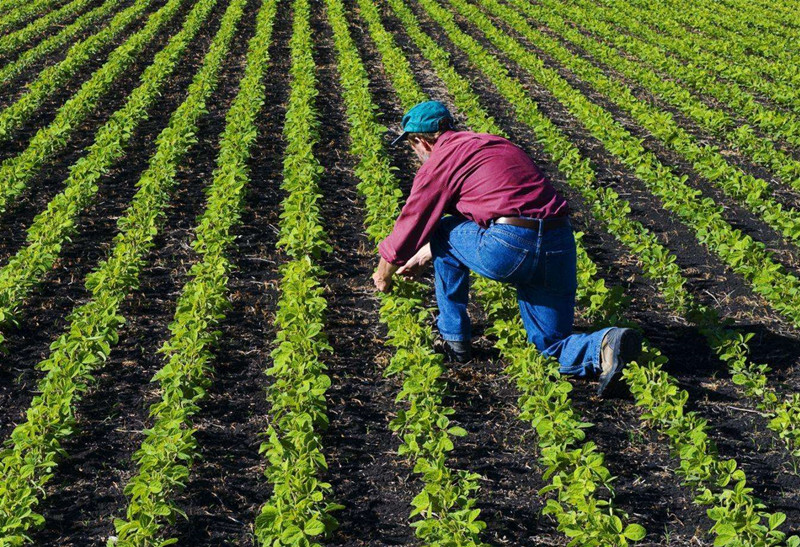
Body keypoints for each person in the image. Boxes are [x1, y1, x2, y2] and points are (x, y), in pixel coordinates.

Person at [372, 101, 641, 396]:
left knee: (441, 227)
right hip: (559, 243)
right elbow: (492, 202)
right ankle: (606, 344)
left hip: (511, 245)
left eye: (413, 147)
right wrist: (428, 252)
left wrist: (384, 274)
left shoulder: (441, 160)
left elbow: (412, 222)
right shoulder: (493, 144)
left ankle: (454, 341)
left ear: (421, 141)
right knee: (549, 347)